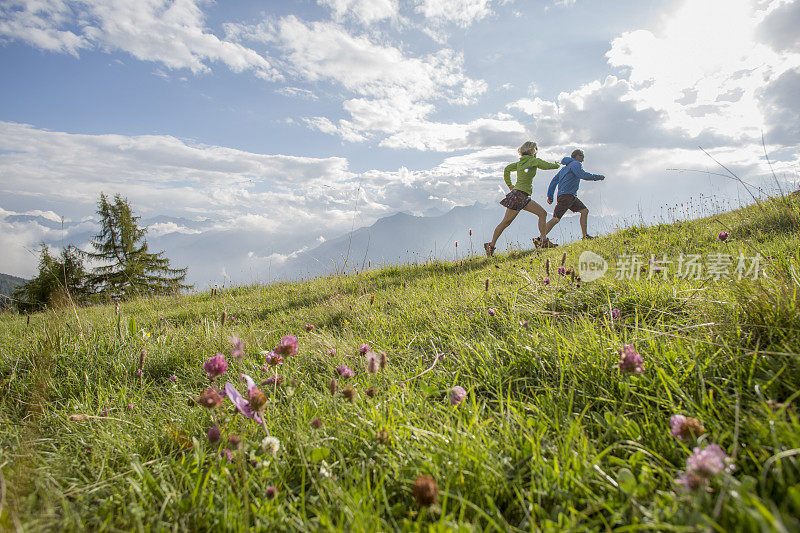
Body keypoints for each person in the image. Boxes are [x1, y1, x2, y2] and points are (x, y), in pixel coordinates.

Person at [484, 141, 560, 257]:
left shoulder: (520, 163)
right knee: (540, 214)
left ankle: (491, 245)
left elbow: (507, 169)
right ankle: (543, 241)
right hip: (520, 195)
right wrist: (557, 165)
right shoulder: (533, 161)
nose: (537, 151)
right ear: (533, 150)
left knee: (508, 222)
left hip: (518, 195)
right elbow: (546, 166)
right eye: (536, 148)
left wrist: (510, 185)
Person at [543, 149, 605, 241]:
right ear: (576, 156)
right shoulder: (576, 164)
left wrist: (550, 196)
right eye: (581, 156)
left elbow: (554, 181)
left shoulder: (564, 169)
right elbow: (582, 175)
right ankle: (540, 238)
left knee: (584, 211)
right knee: (556, 218)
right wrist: (597, 177)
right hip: (567, 196)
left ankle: (585, 236)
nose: (583, 158)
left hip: (569, 196)